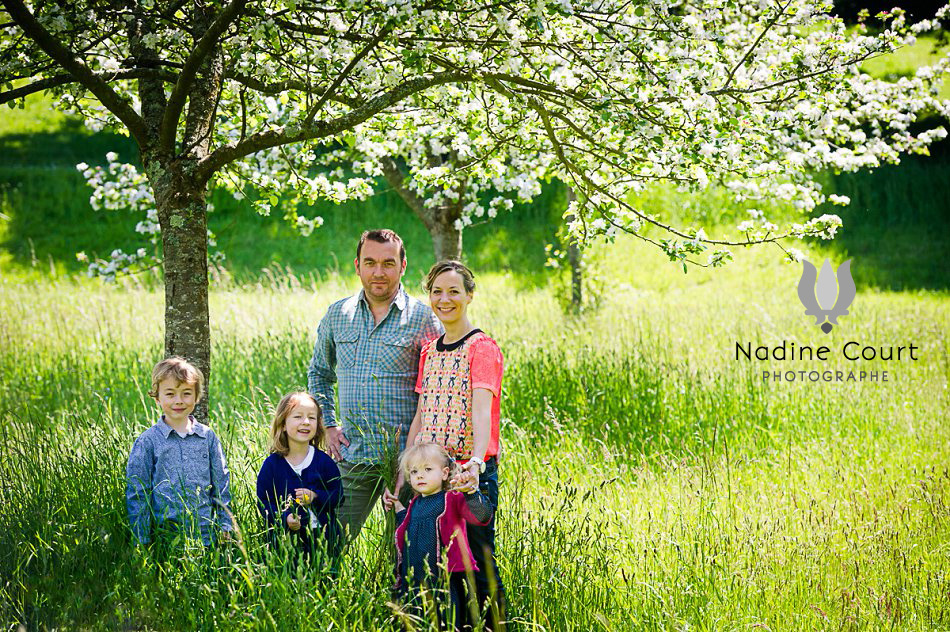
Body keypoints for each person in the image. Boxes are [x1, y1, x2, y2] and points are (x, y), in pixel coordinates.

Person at [384, 260, 506, 629]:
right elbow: (422, 413)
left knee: (476, 564)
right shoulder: (429, 351)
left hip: (465, 475)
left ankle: (493, 625)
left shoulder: (482, 348)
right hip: (427, 473)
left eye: (454, 291)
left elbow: (482, 411)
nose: (445, 298)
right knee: (430, 564)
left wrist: (475, 464)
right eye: (437, 291)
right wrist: (404, 473)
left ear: (469, 295)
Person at [308, 229, 442, 541]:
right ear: (357, 265)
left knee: (407, 550)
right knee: (328, 541)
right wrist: (328, 425)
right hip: (353, 453)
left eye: (388, 263)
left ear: (403, 265)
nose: (378, 272)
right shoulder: (338, 315)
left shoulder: (424, 318)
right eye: (370, 263)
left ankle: (400, 592)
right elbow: (319, 374)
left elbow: (436, 389)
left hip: (408, 463)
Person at [126, 356, 232, 547]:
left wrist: (226, 525)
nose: (178, 401)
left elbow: (221, 483)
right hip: (163, 538)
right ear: (157, 398)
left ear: (197, 397)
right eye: (170, 394)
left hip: (205, 537)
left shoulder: (207, 437)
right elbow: (138, 492)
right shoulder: (148, 441)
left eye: (186, 393)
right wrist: (141, 540)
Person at [392, 442, 492, 630]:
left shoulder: (453, 498)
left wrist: (470, 492)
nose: (419, 475)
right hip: (415, 582)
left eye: (427, 469)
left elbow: (482, 517)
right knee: (416, 623)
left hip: (444, 581)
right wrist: (398, 507)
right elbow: (408, 528)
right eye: (414, 472)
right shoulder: (415, 503)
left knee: (447, 622)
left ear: (445, 473)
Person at [256, 392, 344, 561]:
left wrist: (316, 496)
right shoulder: (272, 465)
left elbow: (338, 496)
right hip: (285, 543)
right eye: (298, 416)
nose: (305, 422)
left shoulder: (324, 462)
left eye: (312, 418)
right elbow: (263, 502)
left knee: (323, 580)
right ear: (282, 424)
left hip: (323, 539)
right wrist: (284, 517)